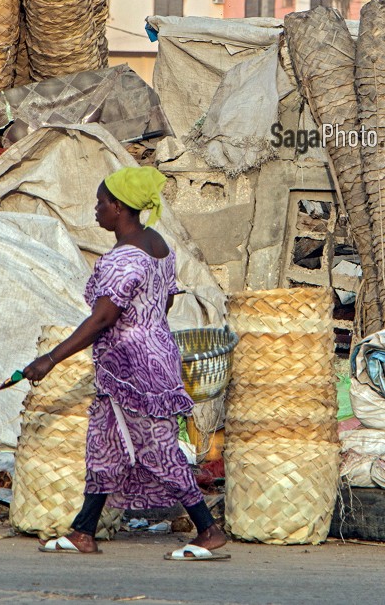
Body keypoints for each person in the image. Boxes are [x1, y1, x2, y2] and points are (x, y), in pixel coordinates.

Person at [22, 166, 228, 560]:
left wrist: (50, 358)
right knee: (104, 443)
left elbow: (102, 318)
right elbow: (164, 301)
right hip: (150, 353)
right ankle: (83, 531)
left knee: (158, 447)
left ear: (120, 208)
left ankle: (208, 528)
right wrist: (144, 325)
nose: (96, 210)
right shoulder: (157, 245)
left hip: (134, 367)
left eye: (101, 202)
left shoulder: (122, 259)